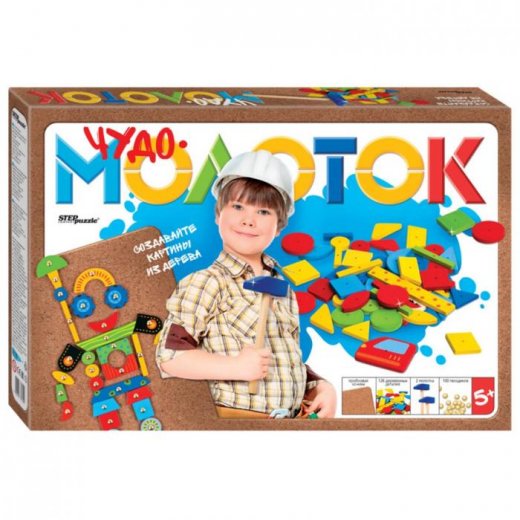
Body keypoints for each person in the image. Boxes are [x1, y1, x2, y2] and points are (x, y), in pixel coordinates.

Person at [156, 150, 336, 418]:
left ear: (279, 226)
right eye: (238, 207)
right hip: (234, 423)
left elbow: (285, 361)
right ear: (218, 214)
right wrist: (235, 367)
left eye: (263, 211)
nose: (248, 220)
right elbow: (170, 357)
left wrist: (320, 386)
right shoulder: (206, 282)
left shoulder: (284, 291)